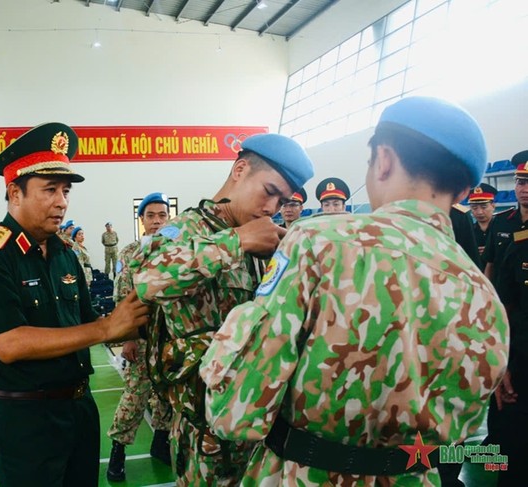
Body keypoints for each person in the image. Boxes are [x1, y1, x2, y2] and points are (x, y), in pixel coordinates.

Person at [199, 96, 509, 486]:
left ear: (383, 159)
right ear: (464, 192)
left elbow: (238, 411)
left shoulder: (316, 242)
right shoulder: (484, 296)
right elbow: (459, 435)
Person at [0, 122, 149, 487]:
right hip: (25, 419)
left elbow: (87, 322)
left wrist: (137, 322)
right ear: (15, 193)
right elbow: (9, 344)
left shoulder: (64, 254)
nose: (61, 201)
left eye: (65, 191)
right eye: (49, 190)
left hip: (78, 409)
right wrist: (106, 328)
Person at [130, 133, 314, 486]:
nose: (273, 207)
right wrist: (239, 240)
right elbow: (149, 281)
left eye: (282, 200)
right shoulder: (183, 230)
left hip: (257, 416)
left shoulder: (264, 237)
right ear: (240, 169)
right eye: (269, 191)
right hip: (205, 428)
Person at [106, 192, 173, 482]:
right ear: (142, 219)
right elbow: (122, 297)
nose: (156, 221)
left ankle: (161, 442)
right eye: (151, 216)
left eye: (162, 216)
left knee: (168, 395)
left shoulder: (177, 250)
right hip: (143, 336)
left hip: (171, 336)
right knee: (135, 395)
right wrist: (129, 338)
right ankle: (118, 450)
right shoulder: (130, 252)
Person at [484, 151, 528, 486]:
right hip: (518, 348)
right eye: (521, 181)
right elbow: (501, 292)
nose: (524, 188)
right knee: (505, 436)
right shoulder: (507, 229)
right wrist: (500, 359)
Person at [483, 153, 528, 286]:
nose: (525, 189)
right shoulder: (501, 221)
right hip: (505, 301)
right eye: (521, 183)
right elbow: (490, 264)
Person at [468, 183, 498, 262]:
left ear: (493, 206)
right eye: (474, 208)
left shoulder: (501, 228)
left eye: (484, 207)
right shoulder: (468, 231)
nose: (479, 212)